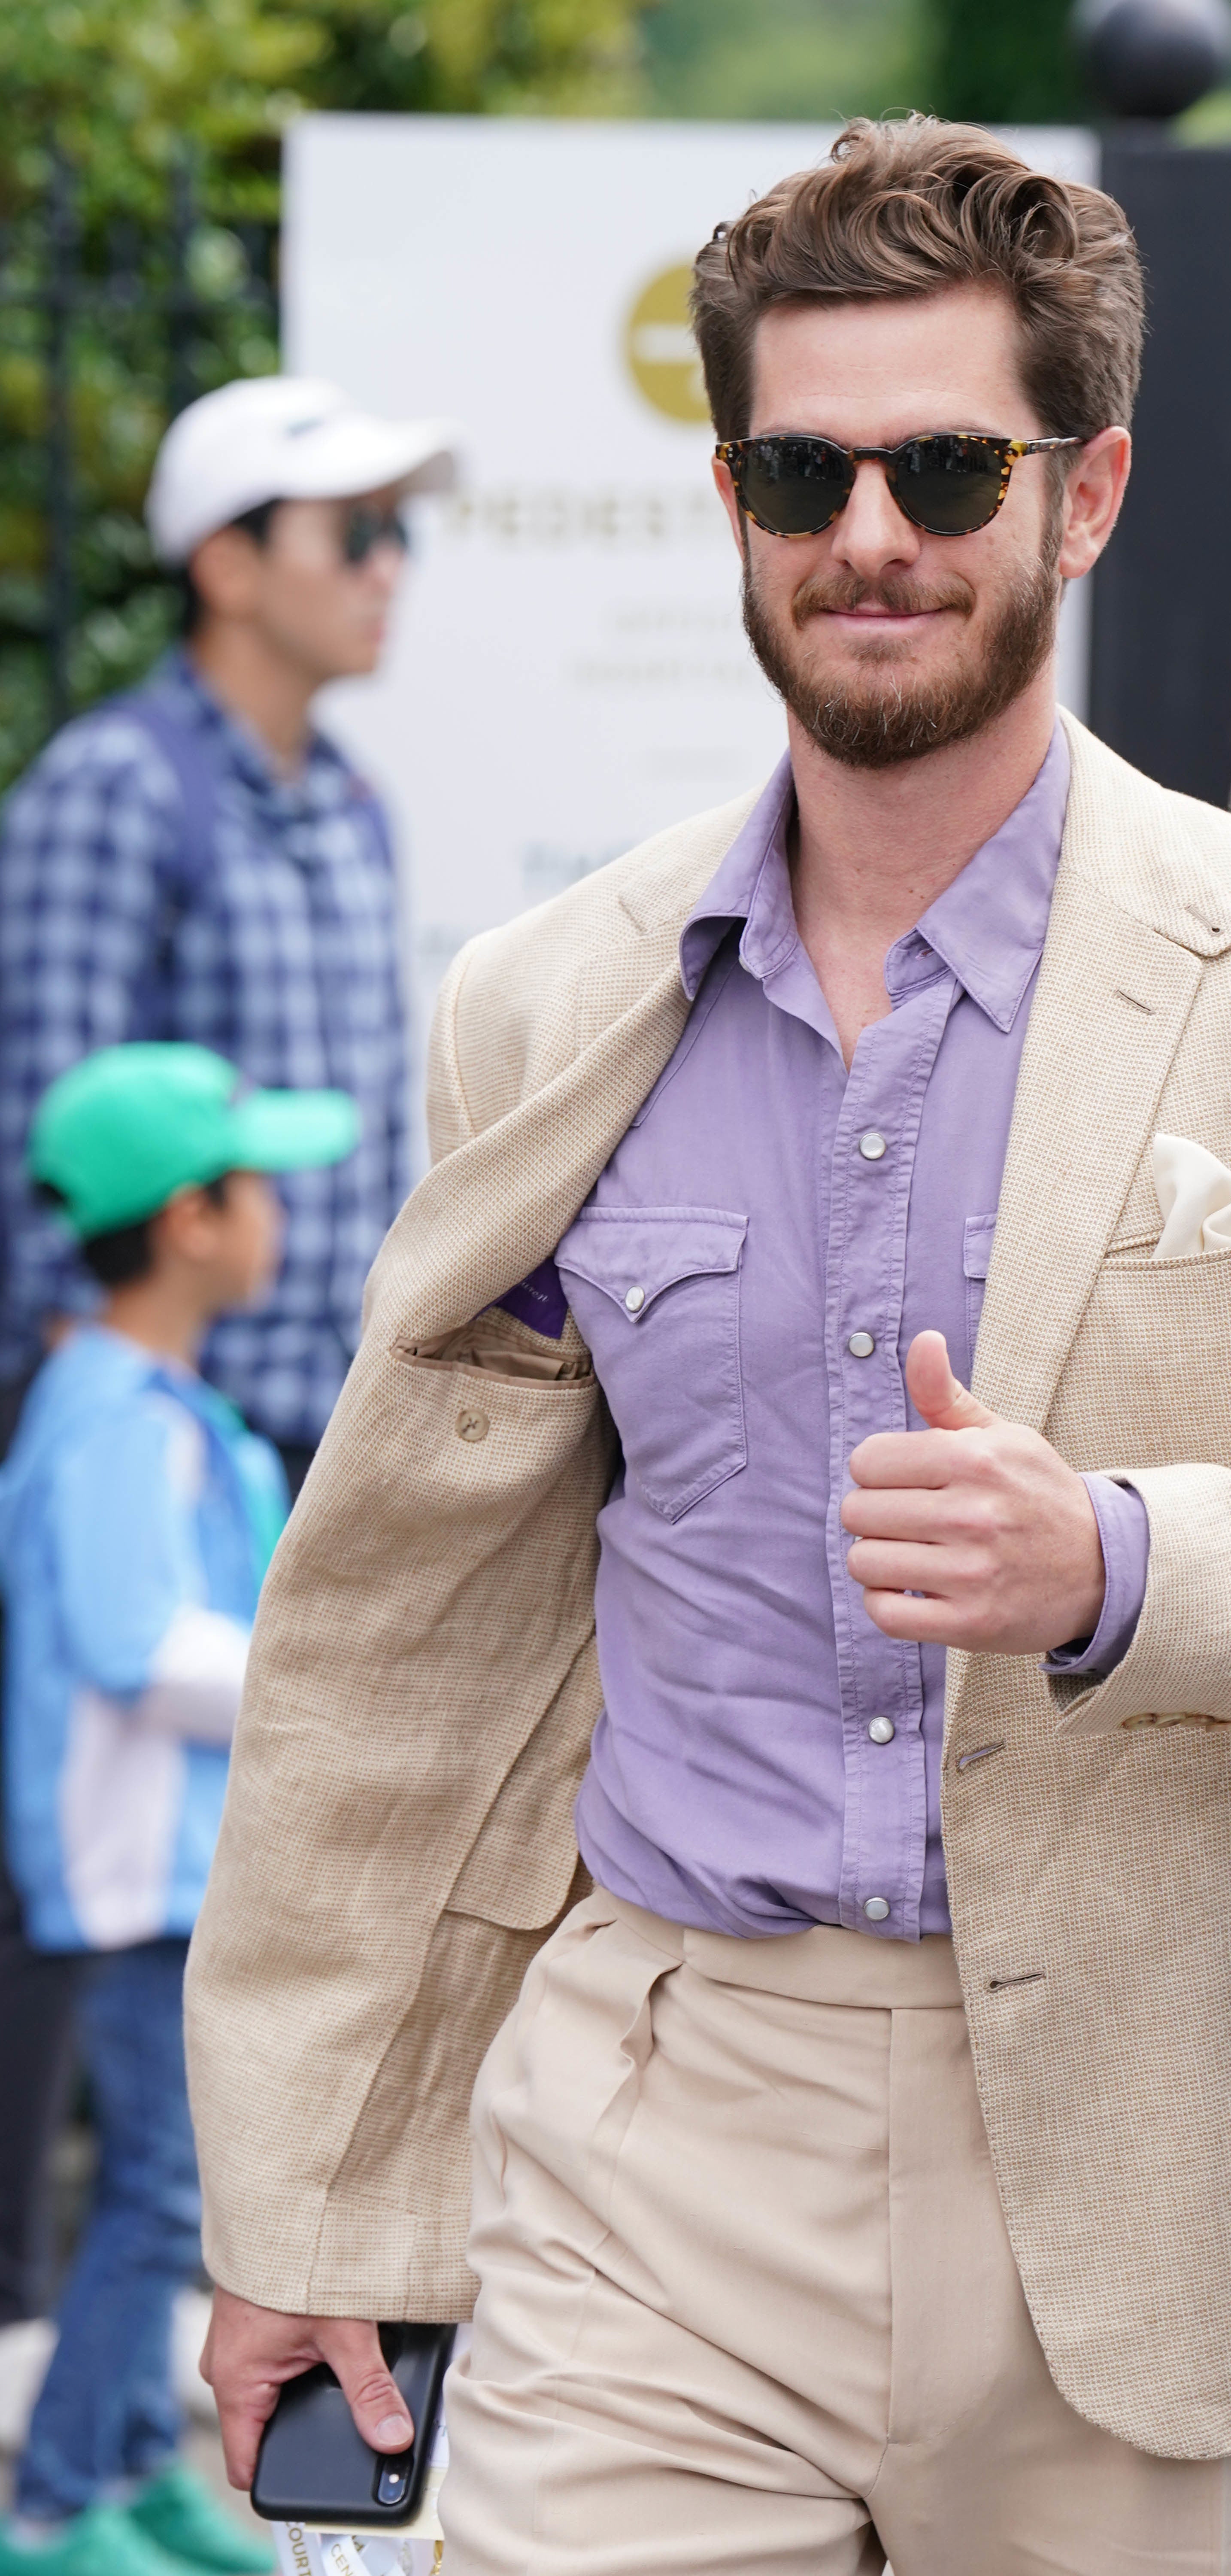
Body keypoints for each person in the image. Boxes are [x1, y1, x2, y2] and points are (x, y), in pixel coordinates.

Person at [188, 120, 1231, 2576]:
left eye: (946, 464)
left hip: (1174, 2150)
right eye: (798, 468)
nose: (868, 531)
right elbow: (404, 1639)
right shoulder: (544, 1003)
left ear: (1084, 495)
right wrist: (307, 2186)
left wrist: (1119, 1558)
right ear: (734, 491)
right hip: (658, 2133)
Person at [0, 373, 456, 2407]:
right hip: (170, 1441)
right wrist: (115, 1411)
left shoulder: (351, 795)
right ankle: (79, 2411)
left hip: (326, 1446)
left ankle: (208, 2395)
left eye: (397, 531)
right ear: (223, 566)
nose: (389, 572)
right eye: (348, 533)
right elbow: (43, 1141)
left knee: (290, 1945)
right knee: (127, 1931)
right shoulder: (114, 792)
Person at [0, 1042, 358, 2576]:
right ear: (191, 1218)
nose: (285, 1209)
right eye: (259, 1182)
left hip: (182, 1872)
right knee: (151, 2192)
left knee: (173, 2188)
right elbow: (136, 1642)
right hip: (146, 1875)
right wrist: (329, 1676)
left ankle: (132, 2467)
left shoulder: (147, 1398)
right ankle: (59, 2500)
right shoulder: (110, 1415)